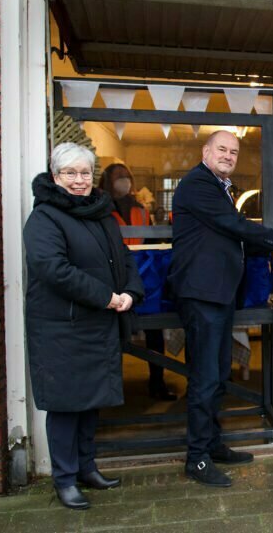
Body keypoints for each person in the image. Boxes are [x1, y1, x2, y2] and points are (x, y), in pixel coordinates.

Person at [167, 130, 273, 488]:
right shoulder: (197, 184)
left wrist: (261, 248)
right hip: (202, 294)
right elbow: (232, 225)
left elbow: (229, 237)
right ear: (205, 152)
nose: (228, 155)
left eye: (233, 151)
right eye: (221, 149)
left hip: (218, 295)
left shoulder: (221, 188)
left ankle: (212, 444)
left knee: (218, 374)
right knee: (205, 377)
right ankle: (198, 459)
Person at [23, 143, 145, 510]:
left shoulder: (102, 214)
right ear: (56, 176)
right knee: (66, 405)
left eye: (85, 173)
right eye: (70, 173)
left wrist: (131, 292)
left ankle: (86, 468)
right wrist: (108, 297)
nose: (79, 180)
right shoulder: (45, 217)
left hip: (97, 325)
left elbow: (123, 257)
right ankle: (64, 479)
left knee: (92, 401)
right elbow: (54, 270)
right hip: (62, 328)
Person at [99, 163, 175, 401]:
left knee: (155, 334)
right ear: (108, 181)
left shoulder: (140, 209)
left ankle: (157, 383)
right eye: (119, 177)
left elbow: (150, 243)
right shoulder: (100, 208)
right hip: (111, 281)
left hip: (142, 279)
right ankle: (110, 391)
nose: (125, 181)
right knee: (112, 338)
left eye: (127, 177)